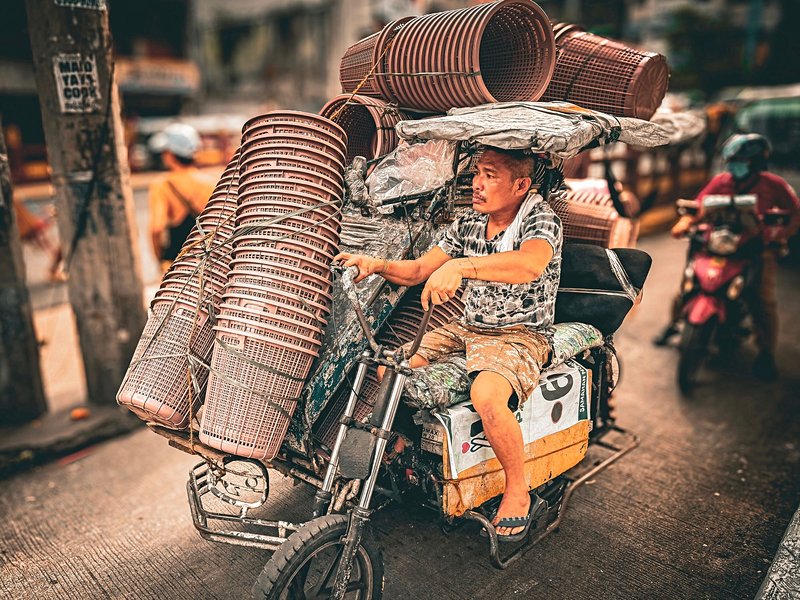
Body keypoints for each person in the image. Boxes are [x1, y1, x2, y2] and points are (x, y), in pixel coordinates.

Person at [335, 147, 562, 541]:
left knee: (486, 394)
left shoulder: (540, 219)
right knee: (392, 366)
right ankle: (407, 447)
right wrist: (376, 264)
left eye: (490, 175)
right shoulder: (468, 223)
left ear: (520, 185)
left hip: (519, 334)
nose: (477, 183)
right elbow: (420, 270)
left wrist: (462, 267)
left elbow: (530, 264)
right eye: (477, 173)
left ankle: (517, 488)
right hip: (468, 327)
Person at [660, 133, 800, 379]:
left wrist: (780, 236)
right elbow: (698, 207)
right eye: (732, 160)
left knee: (761, 299)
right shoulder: (721, 181)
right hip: (719, 245)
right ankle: (674, 325)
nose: (734, 165)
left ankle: (766, 352)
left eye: (740, 160)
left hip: (757, 249)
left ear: (756, 162)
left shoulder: (774, 185)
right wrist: (684, 223)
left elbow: (794, 213)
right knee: (690, 284)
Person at [147, 123, 215, 273]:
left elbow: (157, 228)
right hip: (207, 263)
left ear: (170, 154)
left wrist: (160, 261)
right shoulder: (210, 183)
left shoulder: (162, 185)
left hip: (177, 265)